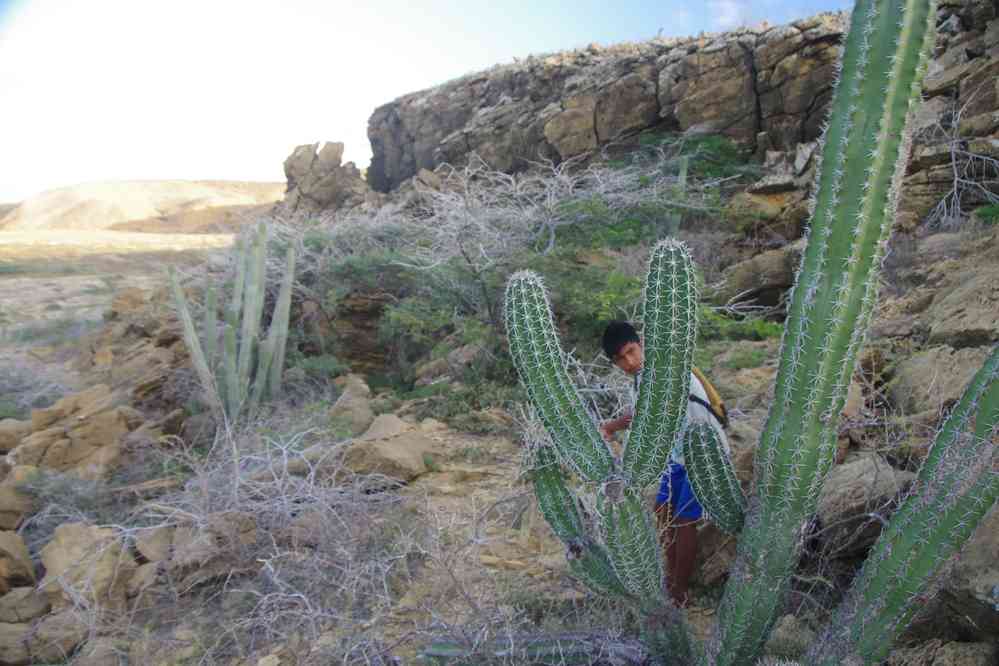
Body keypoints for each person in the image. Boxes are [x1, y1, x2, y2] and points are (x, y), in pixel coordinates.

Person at [599, 320, 729, 607]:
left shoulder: (665, 371)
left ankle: (679, 591)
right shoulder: (641, 378)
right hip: (679, 455)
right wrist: (614, 427)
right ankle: (670, 578)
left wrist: (612, 426)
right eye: (620, 359)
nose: (629, 362)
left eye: (631, 352)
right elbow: (644, 414)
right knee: (663, 510)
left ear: (641, 344)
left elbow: (650, 415)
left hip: (705, 453)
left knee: (683, 520)